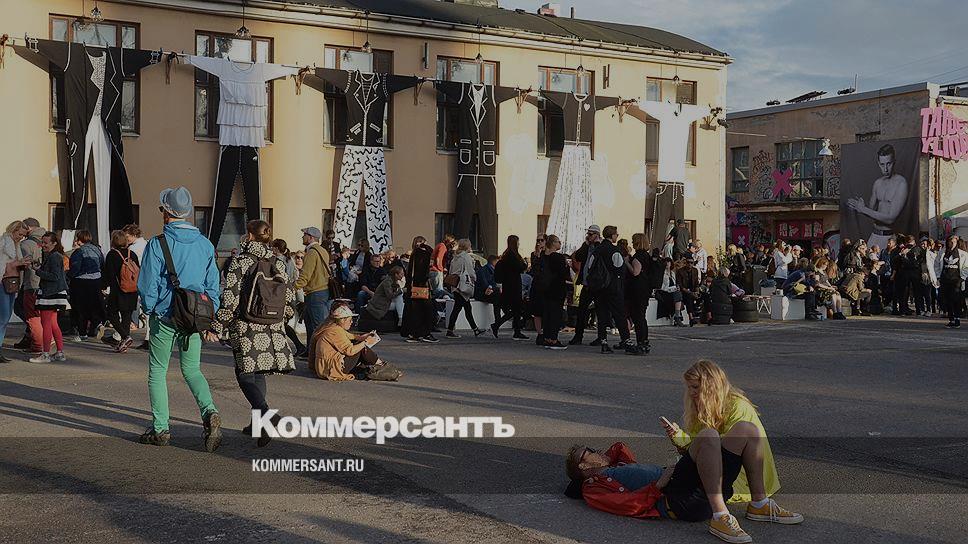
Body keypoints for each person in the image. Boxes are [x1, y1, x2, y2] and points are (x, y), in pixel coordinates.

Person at [661, 360, 801, 542]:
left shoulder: (737, 406)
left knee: (746, 429)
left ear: (711, 386)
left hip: (733, 477)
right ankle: (721, 516)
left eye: (695, 387)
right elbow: (701, 450)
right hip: (700, 484)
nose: (691, 392)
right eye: (689, 387)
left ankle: (759, 503)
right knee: (710, 436)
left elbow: (725, 450)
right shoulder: (698, 407)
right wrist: (679, 437)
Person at [137, 186, 222, 451]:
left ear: (166, 212)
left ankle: (161, 429)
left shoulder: (158, 243)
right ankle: (210, 411)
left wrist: (149, 309)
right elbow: (213, 285)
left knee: (157, 371)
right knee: (192, 370)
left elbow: (148, 283)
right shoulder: (205, 244)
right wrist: (209, 314)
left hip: (165, 315)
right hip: (195, 316)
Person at [210, 220, 295, 448]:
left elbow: (230, 298)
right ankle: (258, 424)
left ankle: (266, 416)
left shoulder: (240, 261)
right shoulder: (277, 262)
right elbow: (288, 297)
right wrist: (281, 319)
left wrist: (218, 325)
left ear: (249, 236)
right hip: (272, 325)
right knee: (259, 371)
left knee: (245, 374)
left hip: (246, 325)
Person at [846, 144, 909, 249]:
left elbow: (891, 219)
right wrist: (861, 207)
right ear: (878, 163)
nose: (885, 169)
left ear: (894, 162)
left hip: (889, 237)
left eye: (888, 164)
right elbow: (871, 212)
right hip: (874, 235)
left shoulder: (901, 183)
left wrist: (863, 209)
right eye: (882, 164)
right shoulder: (878, 183)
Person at [310, 304, 389, 380]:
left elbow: (351, 336)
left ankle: (378, 365)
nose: (351, 322)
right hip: (331, 368)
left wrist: (363, 337)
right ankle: (381, 365)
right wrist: (366, 341)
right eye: (350, 320)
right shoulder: (335, 331)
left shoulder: (332, 327)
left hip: (326, 366)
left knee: (357, 343)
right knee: (361, 347)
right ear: (343, 320)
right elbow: (350, 351)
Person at [592, 226, 636, 354]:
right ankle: (626, 340)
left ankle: (603, 342)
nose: (617, 236)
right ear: (612, 236)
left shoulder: (597, 249)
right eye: (616, 234)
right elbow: (619, 268)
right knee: (619, 314)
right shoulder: (614, 250)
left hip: (599, 287)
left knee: (601, 315)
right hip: (613, 287)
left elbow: (590, 266)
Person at [28, 231, 68, 363]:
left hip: (50, 294)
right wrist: (40, 268)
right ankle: (59, 352)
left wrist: (37, 271)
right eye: (42, 242)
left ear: (54, 243)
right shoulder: (55, 255)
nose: (43, 245)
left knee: (46, 324)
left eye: (46, 243)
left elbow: (54, 276)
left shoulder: (54, 257)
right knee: (53, 324)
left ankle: (45, 354)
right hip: (56, 293)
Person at [101, 230, 140, 353]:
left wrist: (103, 286)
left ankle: (125, 336)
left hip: (118, 290)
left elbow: (109, 274)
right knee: (126, 317)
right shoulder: (132, 254)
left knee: (111, 314)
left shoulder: (112, 254)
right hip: (132, 290)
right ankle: (124, 343)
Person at [67, 229, 106, 340]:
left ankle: (82, 333)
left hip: (81, 282)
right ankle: (98, 324)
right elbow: (102, 265)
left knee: (81, 308)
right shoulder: (97, 250)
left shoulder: (79, 252)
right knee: (93, 305)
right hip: (96, 280)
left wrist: (68, 276)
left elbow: (75, 268)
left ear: (79, 240)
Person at [568, 225, 602, 346]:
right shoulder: (586, 246)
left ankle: (601, 337)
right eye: (588, 234)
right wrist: (586, 244)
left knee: (600, 311)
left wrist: (596, 243)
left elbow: (600, 258)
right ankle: (578, 336)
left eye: (591, 234)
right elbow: (578, 257)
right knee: (581, 310)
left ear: (597, 235)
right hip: (587, 284)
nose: (588, 236)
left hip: (597, 285)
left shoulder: (601, 246)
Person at [295, 226, 331, 340]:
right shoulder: (322, 251)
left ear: (310, 237)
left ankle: (317, 349)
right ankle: (311, 348)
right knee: (313, 325)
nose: (302, 237)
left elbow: (305, 275)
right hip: (322, 291)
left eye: (304, 235)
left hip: (315, 293)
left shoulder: (312, 253)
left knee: (316, 326)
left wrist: (292, 287)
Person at [401, 236, 439, 343]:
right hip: (421, 287)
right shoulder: (423, 254)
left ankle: (414, 334)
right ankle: (425, 333)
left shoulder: (413, 254)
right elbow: (424, 271)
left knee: (415, 312)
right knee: (426, 311)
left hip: (413, 288)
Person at [1, 221, 29, 363]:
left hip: (11, 283)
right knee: (3, 318)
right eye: (20, 234)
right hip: (3, 283)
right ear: (13, 230)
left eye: (23, 235)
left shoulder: (15, 245)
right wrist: (19, 263)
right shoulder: (5, 243)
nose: (21, 237)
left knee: (4, 319)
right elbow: (4, 265)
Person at [445, 238, 485, 339]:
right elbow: (470, 271)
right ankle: (451, 330)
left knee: (463, 308)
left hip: (455, 285)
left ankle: (474, 329)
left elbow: (451, 270)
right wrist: (474, 278)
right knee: (460, 308)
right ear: (467, 246)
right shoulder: (466, 257)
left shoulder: (455, 257)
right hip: (462, 285)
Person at [491, 235, 528, 340]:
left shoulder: (506, 255)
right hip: (514, 285)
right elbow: (521, 267)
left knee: (515, 309)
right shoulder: (513, 256)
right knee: (517, 309)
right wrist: (525, 263)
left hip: (508, 285)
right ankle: (499, 325)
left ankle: (514, 330)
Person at [539, 235, 569, 350]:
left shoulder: (543, 257)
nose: (560, 244)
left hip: (546, 288)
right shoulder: (558, 257)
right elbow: (563, 273)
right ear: (553, 243)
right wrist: (567, 266)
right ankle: (553, 339)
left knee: (547, 314)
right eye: (558, 242)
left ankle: (547, 338)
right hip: (557, 289)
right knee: (556, 314)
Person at [123, 224, 150, 350]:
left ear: (134, 235)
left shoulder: (133, 249)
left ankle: (121, 335)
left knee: (128, 307)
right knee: (147, 310)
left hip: (136, 281)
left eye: (127, 236)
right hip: (148, 280)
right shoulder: (147, 244)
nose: (126, 238)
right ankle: (148, 337)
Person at [625, 233, 652, 353]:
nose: (632, 242)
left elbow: (635, 272)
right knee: (642, 316)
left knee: (638, 317)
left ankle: (641, 342)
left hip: (637, 290)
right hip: (645, 289)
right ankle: (644, 342)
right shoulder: (647, 255)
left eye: (633, 240)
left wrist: (627, 262)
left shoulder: (638, 256)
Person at [935, 235, 968, 328]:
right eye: (950, 242)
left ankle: (957, 319)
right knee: (947, 300)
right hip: (945, 280)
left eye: (953, 242)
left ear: (956, 242)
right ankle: (951, 319)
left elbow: (966, 267)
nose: (951, 244)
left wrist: (962, 278)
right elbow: (936, 264)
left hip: (956, 280)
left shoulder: (963, 254)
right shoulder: (942, 252)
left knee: (956, 299)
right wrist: (938, 277)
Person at [676, 257, 702, 326]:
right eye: (688, 262)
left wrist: (697, 292)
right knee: (689, 297)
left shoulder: (695, 270)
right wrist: (690, 293)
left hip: (693, 290)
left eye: (691, 263)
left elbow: (696, 283)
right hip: (684, 291)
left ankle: (709, 317)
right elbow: (680, 285)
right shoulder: (680, 271)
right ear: (685, 263)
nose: (690, 264)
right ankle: (691, 318)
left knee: (706, 296)